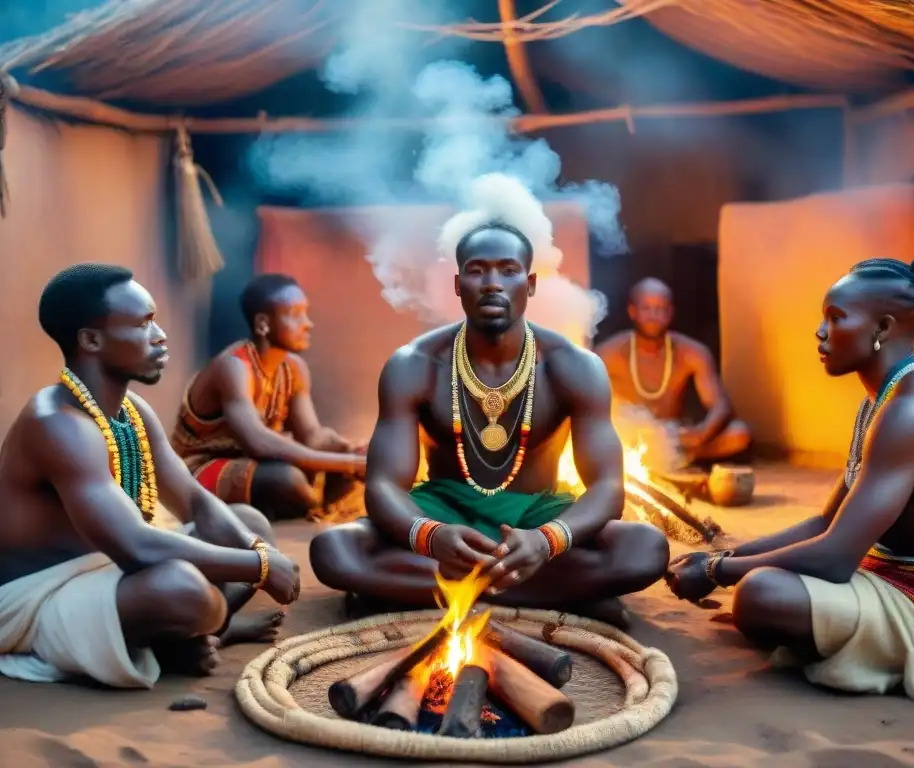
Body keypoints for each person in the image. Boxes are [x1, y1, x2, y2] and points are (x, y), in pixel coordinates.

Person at [666, 251, 914, 702]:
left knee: (760, 594)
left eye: (836, 318)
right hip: (893, 575)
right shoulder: (881, 401)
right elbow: (826, 523)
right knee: (760, 584)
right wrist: (726, 555)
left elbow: (835, 557)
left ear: (883, 329)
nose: (821, 332)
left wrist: (718, 570)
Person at [309, 221, 669, 628]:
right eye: (478, 271)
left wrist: (545, 540)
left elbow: (607, 487)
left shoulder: (573, 366)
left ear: (530, 284)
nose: (493, 283)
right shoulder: (414, 365)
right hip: (443, 511)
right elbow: (383, 486)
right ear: (458, 284)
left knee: (645, 549)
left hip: (536, 513)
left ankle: (420, 593)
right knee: (333, 550)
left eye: (508, 270)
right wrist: (429, 534)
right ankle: (559, 595)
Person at [0, 264, 302, 689]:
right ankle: (191, 634)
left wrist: (256, 551)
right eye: (143, 324)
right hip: (39, 596)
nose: (160, 335)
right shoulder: (58, 424)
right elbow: (137, 545)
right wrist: (262, 565)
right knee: (183, 590)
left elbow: (195, 502)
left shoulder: (132, 412)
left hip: (111, 572)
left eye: (155, 320)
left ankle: (190, 636)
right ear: (91, 340)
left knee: (249, 525)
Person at [171, 274, 366, 521]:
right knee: (287, 480)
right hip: (200, 470)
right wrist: (347, 463)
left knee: (353, 459)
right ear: (263, 324)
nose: (308, 324)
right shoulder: (233, 366)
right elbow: (258, 441)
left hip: (256, 465)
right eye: (295, 315)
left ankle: (311, 507)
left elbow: (312, 435)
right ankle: (310, 507)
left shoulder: (294, 367)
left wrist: (349, 449)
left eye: (306, 313)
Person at [595, 278, 751, 465]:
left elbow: (719, 405)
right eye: (646, 308)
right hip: (628, 439)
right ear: (632, 312)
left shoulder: (691, 352)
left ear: (670, 313)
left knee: (740, 433)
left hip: (674, 439)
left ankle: (675, 460)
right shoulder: (609, 353)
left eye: (661, 309)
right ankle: (658, 463)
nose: (654, 315)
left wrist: (701, 433)